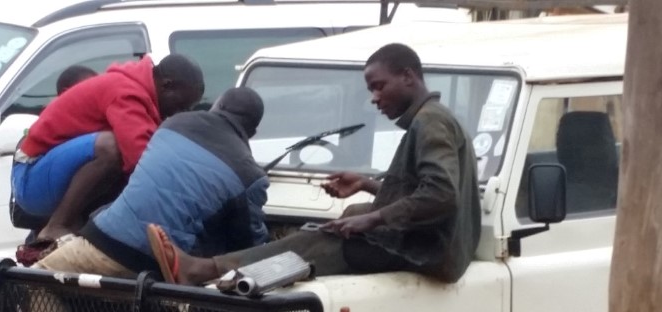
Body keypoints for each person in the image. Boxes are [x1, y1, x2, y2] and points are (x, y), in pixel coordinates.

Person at [147, 42, 480, 287]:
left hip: (431, 251)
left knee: (322, 240)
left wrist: (373, 219)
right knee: (341, 221)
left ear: (408, 77)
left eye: (379, 87)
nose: (374, 98)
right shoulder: (433, 119)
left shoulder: (430, 123)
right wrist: (365, 185)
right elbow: (423, 192)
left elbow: (441, 195)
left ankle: (205, 270)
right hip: (432, 244)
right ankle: (227, 272)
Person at [28, 87, 270, 312]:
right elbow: (249, 246)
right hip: (166, 266)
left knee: (35, 279)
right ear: (252, 132)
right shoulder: (251, 175)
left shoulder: (172, 124)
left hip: (104, 244)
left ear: (217, 106)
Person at [12, 54, 205, 245]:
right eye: (180, 106)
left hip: (52, 176)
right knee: (111, 146)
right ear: (166, 85)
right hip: (31, 180)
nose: (179, 113)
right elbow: (141, 158)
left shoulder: (139, 94)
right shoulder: (125, 91)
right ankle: (57, 225)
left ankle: (82, 226)